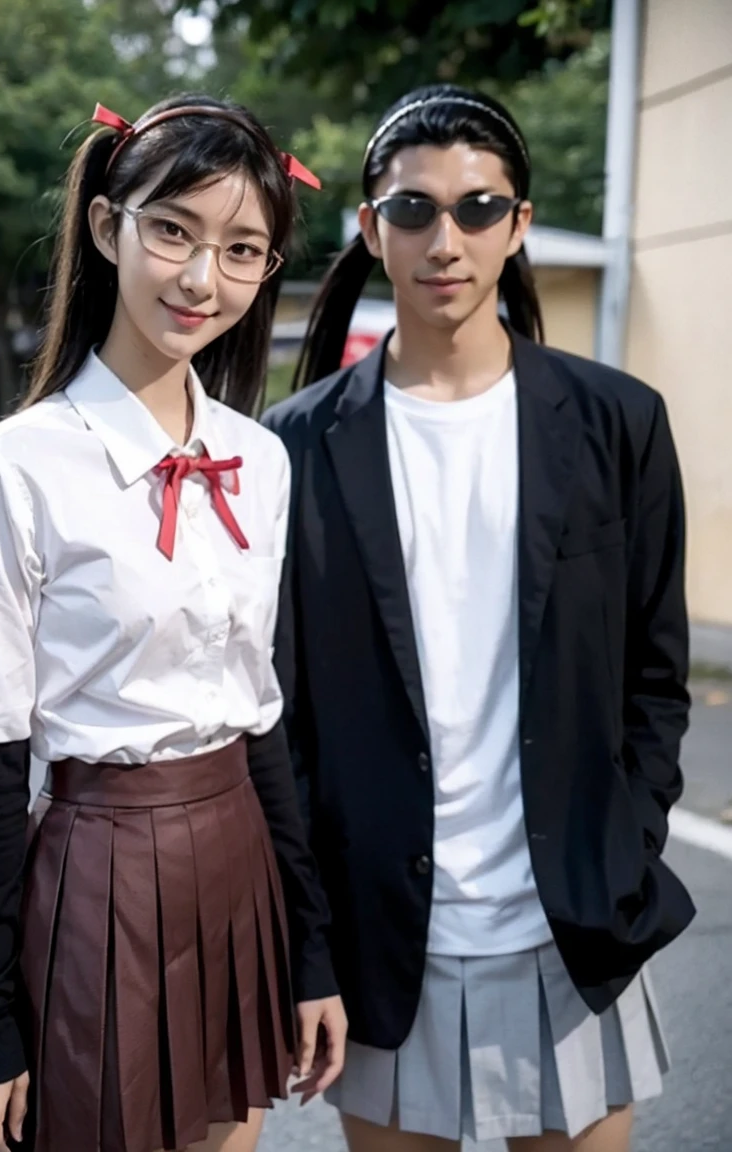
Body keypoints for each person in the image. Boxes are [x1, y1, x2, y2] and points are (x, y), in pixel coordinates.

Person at [262, 83, 695, 1152]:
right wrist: (312, 933)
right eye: (412, 210)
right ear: (371, 228)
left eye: (477, 208)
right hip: (386, 938)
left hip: (570, 925)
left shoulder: (615, 423)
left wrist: (626, 847)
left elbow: (656, 672)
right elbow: (285, 716)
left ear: (519, 225)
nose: (443, 238)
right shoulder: (298, 448)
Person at [0, 94, 347, 1152]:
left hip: (241, 863)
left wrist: (310, 953)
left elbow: (265, 722)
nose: (204, 279)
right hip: (97, 873)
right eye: (174, 230)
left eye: (242, 248)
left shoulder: (264, 461)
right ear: (109, 228)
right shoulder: (7, 471)